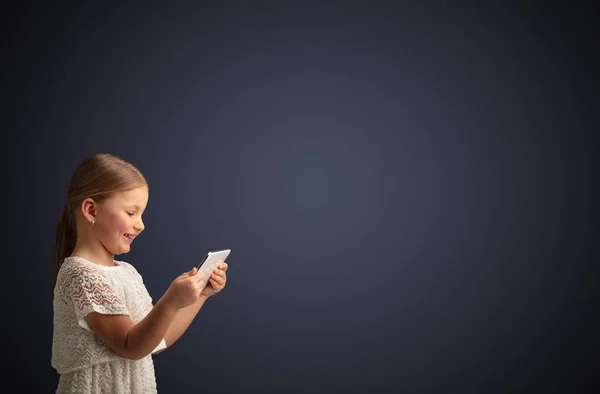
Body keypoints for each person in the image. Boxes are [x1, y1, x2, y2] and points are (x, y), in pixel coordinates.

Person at [51, 153, 228, 393]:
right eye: (131, 213)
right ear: (91, 211)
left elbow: (156, 341)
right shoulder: (81, 273)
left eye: (141, 214)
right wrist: (171, 299)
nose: (141, 224)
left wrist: (200, 295)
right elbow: (130, 345)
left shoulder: (127, 272)